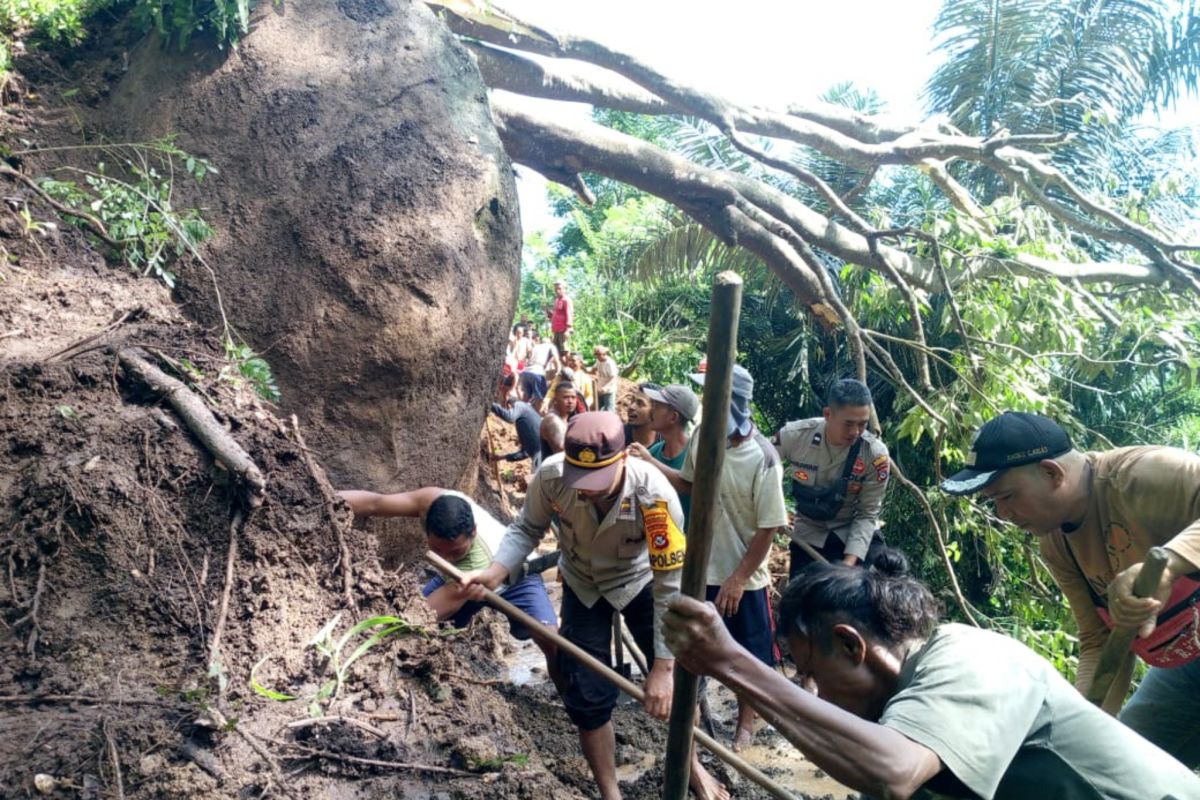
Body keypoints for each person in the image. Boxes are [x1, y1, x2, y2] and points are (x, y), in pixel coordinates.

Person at [664, 553, 1200, 800]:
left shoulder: (968, 660)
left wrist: (732, 663)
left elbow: (892, 772)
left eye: (813, 673)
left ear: (852, 646)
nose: (817, 693)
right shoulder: (900, 712)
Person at [466, 412, 726, 800]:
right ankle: (610, 792)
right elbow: (526, 528)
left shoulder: (653, 495)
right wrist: (497, 570)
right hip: (583, 583)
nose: (586, 490)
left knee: (683, 680)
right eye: (581, 480)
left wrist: (662, 667)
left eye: (598, 482)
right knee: (585, 691)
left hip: (639, 580)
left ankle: (691, 767)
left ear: (623, 459)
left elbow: (670, 585)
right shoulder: (553, 478)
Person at [941, 411, 1200, 766]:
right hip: (1185, 672)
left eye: (1008, 496)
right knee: (1122, 773)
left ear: (1052, 472)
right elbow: (1100, 640)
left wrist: (1169, 562)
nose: (1002, 514)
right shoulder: (1056, 544)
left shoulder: (1143, 475)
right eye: (994, 503)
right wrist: (1079, 733)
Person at [335, 486, 560, 685]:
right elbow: (376, 503)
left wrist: (380, 632)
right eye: (438, 550)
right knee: (419, 631)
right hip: (457, 582)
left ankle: (571, 697)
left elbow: (420, 615)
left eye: (455, 552)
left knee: (551, 641)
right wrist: (326, 498)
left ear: (473, 531)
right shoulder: (434, 501)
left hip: (516, 576)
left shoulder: (478, 559)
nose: (446, 559)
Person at [679, 364, 789, 751]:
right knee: (694, 647)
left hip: (745, 575)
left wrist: (739, 578)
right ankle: (693, 718)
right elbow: (690, 484)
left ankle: (746, 724)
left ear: (732, 401)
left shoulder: (763, 457)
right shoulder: (701, 439)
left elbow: (769, 527)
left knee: (749, 656)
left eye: (713, 395)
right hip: (701, 569)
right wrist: (648, 464)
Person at [775, 378, 891, 576]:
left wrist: (848, 565)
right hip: (810, 535)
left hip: (853, 533)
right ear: (828, 414)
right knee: (801, 600)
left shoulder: (875, 455)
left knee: (878, 592)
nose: (855, 432)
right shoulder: (793, 437)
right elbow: (762, 471)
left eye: (862, 424)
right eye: (848, 424)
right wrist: (772, 512)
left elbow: (867, 514)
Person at [628, 383, 699, 527]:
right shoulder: (655, 451)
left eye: (657, 406)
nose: (651, 411)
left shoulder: (695, 454)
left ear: (673, 417)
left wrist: (649, 461)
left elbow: (690, 485)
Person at [490, 386, 544, 470]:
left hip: (541, 456)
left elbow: (509, 417)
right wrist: (501, 458)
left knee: (541, 481)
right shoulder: (527, 415)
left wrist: (491, 404)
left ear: (509, 406)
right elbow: (524, 453)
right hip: (542, 456)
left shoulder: (520, 405)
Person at [622, 382, 661, 449]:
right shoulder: (618, 436)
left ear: (655, 410)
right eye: (632, 401)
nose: (631, 407)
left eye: (640, 403)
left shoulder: (664, 446)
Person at [545, 280, 574, 354]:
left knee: (564, 350)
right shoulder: (556, 301)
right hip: (556, 330)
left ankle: (567, 365)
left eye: (559, 288)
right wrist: (547, 312)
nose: (557, 291)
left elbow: (569, 315)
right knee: (556, 351)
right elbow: (554, 315)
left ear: (564, 289)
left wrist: (568, 329)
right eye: (556, 289)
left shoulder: (566, 300)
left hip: (563, 330)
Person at [591, 345, 619, 412]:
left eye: (599, 355)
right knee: (598, 408)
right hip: (600, 389)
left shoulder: (610, 363)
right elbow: (593, 369)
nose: (598, 356)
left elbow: (613, 378)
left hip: (609, 390)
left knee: (609, 410)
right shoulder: (598, 361)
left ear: (604, 354)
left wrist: (606, 387)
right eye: (596, 355)